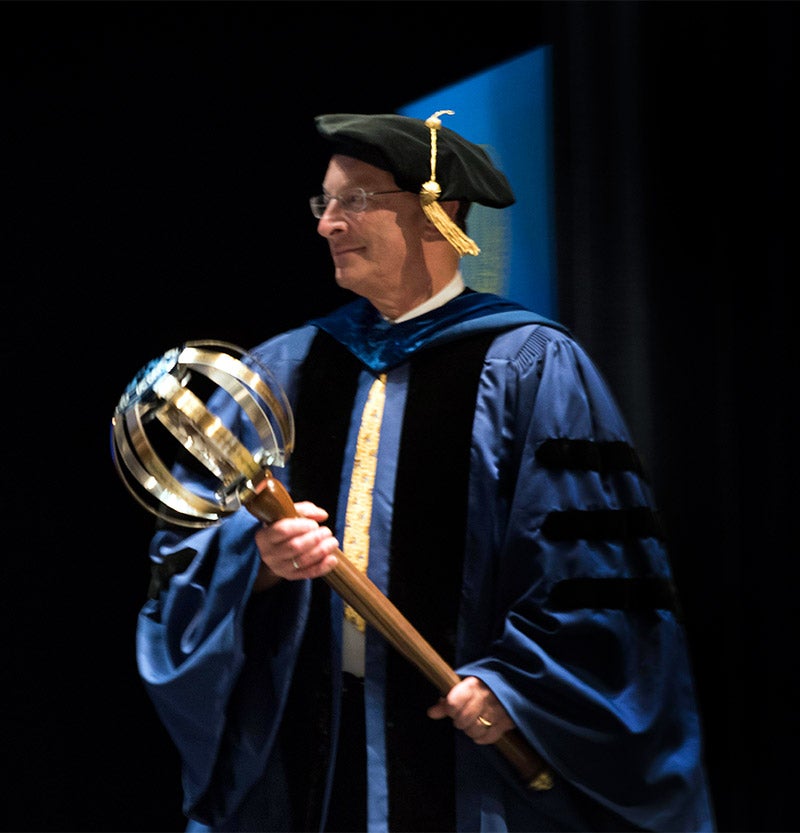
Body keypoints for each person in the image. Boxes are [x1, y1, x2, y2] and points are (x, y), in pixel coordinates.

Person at [136, 111, 715, 832]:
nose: (328, 224)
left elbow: (595, 575)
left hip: (468, 759)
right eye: (323, 202)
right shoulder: (283, 369)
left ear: (439, 210)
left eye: (355, 200)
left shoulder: (530, 366)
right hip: (309, 749)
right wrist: (257, 562)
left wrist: (517, 685)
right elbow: (184, 555)